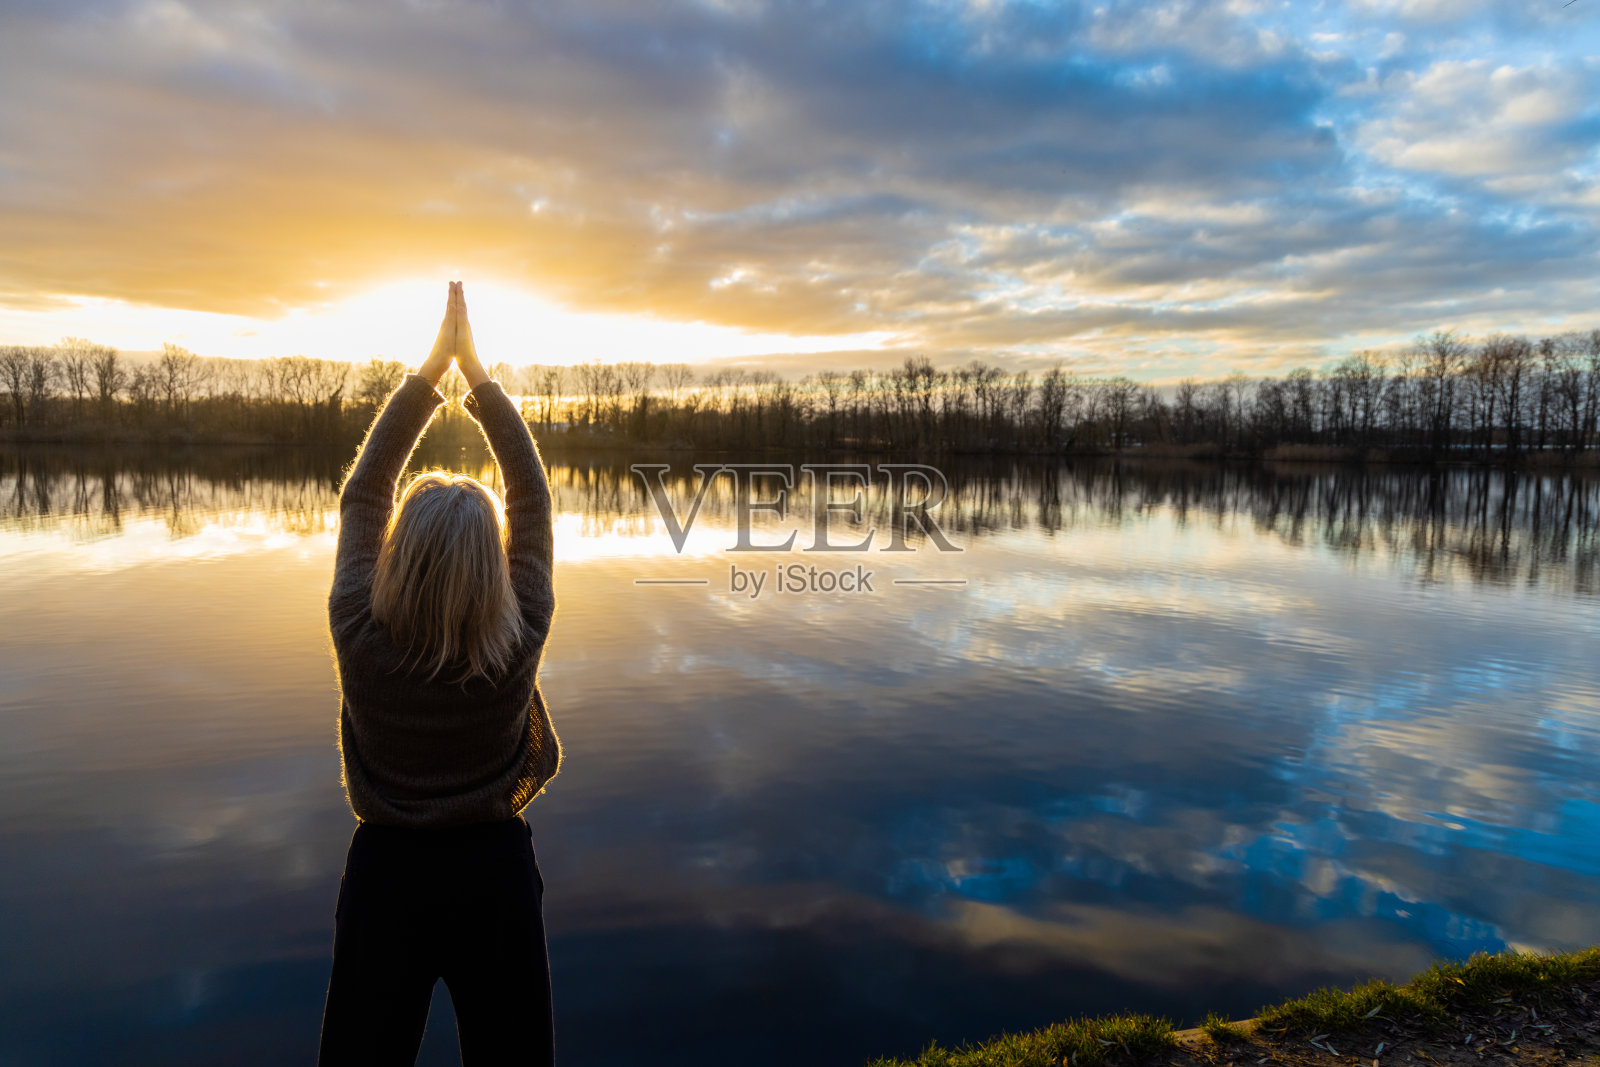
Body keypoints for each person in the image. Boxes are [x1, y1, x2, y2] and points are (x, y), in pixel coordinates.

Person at [317, 281, 560, 1066]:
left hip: (386, 874)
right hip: (494, 872)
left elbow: (364, 490)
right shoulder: (515, 640)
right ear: (492, 570)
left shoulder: (360, 632)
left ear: (397, 553)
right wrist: (479, 379)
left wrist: (431, 373)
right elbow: (531, 497)